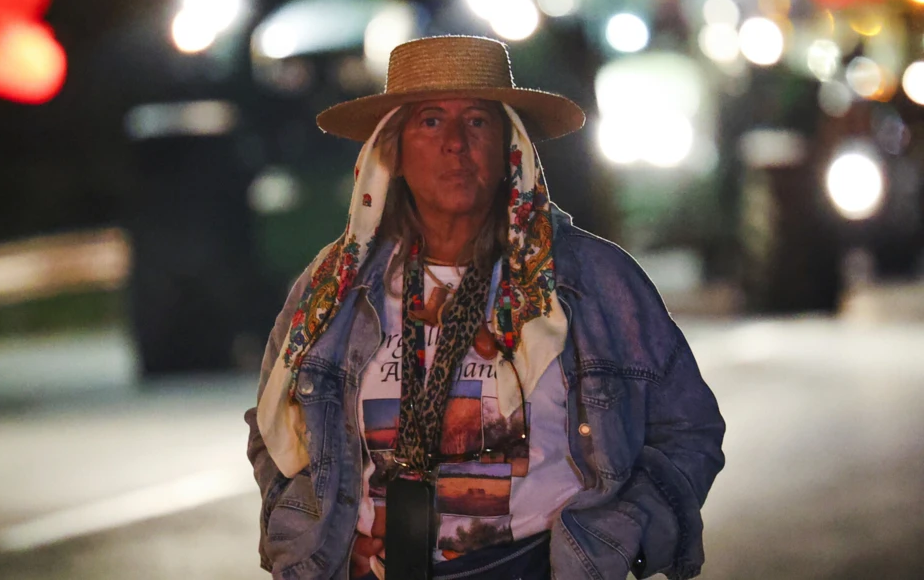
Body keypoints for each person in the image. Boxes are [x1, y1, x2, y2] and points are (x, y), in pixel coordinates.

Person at [244, 35, 725, 580]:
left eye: (476, 121)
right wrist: (318, 540)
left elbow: (688, 430)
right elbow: (273, 432)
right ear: (392, 152)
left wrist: (615, 542)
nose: (455, 143)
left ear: (508, 148)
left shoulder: (593, 282)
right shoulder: (335, 287)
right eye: (430, 121)